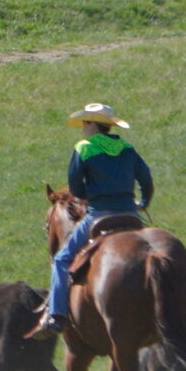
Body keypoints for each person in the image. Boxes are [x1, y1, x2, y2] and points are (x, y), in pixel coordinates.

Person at [29, 101, 152, 337]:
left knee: (63, 259)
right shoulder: (127, 147)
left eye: (85, 122)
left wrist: (90, 197)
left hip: (99, 214)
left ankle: (56, 315)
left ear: (93, 124)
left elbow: (75, 185)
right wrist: (143, 202)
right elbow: (146, 179)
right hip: (130, 214)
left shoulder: (83, 148)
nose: (83, 127)